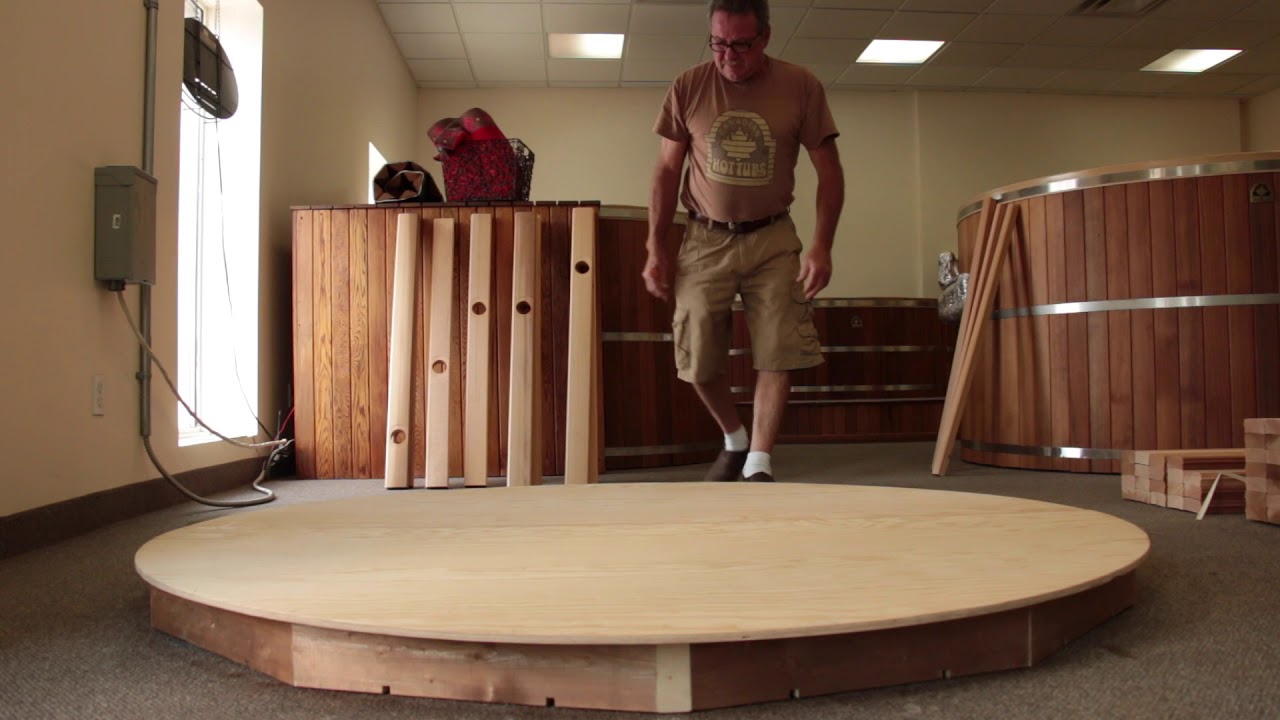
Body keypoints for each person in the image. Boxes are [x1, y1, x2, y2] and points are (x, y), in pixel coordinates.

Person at [643, 0, 844, 483]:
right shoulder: (689, 86)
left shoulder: (801, 86)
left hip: (772, 238)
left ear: (765, 38)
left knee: (779, 348)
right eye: (718, 44)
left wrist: (822, 245)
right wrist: (655, 245)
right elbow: (667, 170)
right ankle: (734, 438)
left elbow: (830, 172)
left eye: (740, 45)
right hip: (704, 238)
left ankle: (759, 463)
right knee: (696, 356)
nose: (728, 56)